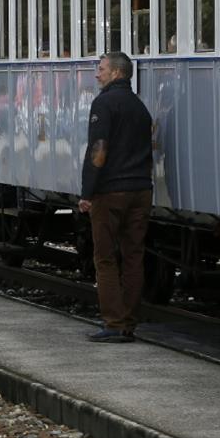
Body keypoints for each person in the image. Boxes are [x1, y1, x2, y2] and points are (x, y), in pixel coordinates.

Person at [78, 51, 153, 342]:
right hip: (141, 190)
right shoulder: (140, 107)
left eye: (101, 69)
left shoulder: (104, 103)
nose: (97, 74)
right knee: (134, 256)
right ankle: (129, 321)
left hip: (111, 192)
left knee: (106, 258)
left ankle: (113, 323)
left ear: (117, 73)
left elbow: (98, 149)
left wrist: (87, 192)